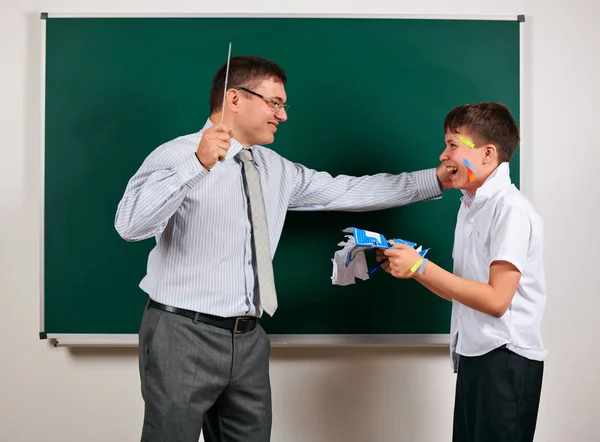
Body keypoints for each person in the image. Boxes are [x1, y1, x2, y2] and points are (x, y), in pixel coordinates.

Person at [115, 55, 451, 442]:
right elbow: (130, 226)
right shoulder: (176, 155)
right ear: (235, 99)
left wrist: (436, 180)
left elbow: (348, 190)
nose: (283, 115)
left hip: (249, 338)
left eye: (283, 105)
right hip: (181, 334)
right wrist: (197, 164)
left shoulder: (275, 168)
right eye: (274, 103)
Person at [378, 102, 547, 442]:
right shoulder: (470, 205)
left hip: (505, 359)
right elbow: (463, 289)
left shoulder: (509, 209)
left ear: (487, 153)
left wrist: (421, 265)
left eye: (453, 145)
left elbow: (497, 300)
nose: (443, 155)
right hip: (476, 355)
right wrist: (417, 272)